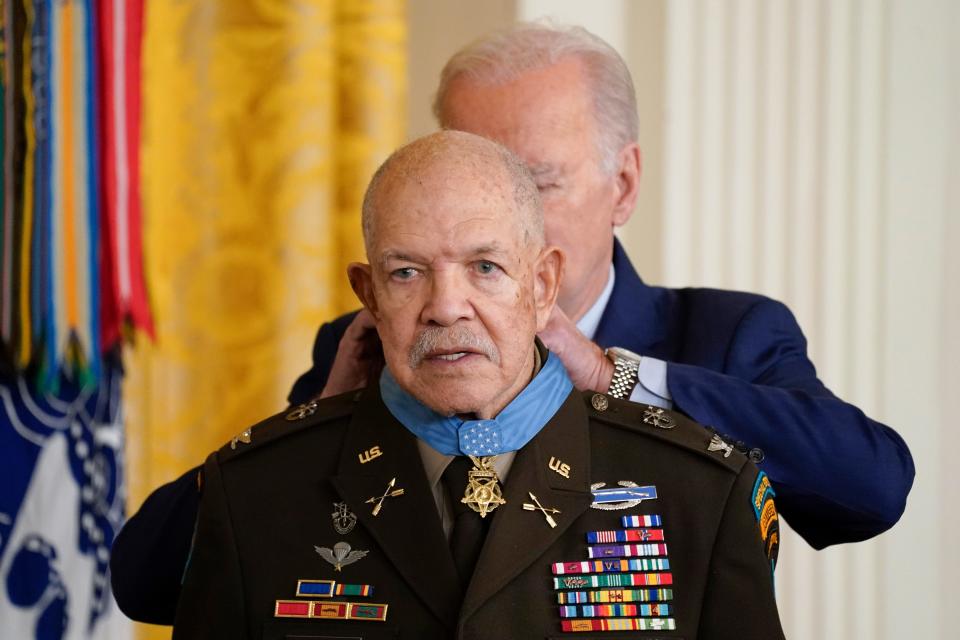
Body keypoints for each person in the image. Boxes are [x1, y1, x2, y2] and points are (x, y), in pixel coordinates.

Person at [111, 23, 914, 625]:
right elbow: (161, 578)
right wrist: (326, 401)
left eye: (531, 181)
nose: (485, 206)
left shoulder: (722, 337)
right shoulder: (368, 346)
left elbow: (869, 490)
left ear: (623, 183)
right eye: (463, 164)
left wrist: (617, 379)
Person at [172, 131, 785, 639]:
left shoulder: (701, 494)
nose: (446, 307)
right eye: (406, 272)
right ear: (369, 296)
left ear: (542, 286)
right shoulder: (254, 491)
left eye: (485, 268)